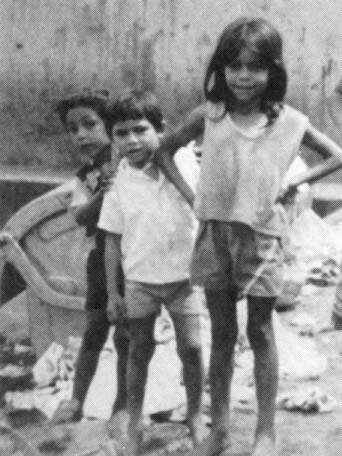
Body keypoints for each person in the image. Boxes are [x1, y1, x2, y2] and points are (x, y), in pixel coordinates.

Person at [154, 17, 342, 456]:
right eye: (233, 65)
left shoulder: (290, 122)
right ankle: (219, 430)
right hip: (214, 236)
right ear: (220, 68)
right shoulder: (209, 115)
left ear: (272, 71)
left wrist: (296, 183)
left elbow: (336, 155)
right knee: (220, 335)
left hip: (261, 241)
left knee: (260, 332)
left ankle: (265, 432)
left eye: (254, 67)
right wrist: (191, 195)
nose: (243, 76)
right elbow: (164, 151)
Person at [98, 90, 206, 455]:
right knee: (138, 350)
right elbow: (111, 240)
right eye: (121, 133)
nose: (132, 140)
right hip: (140, 283)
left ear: (161, 129)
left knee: (191, 348)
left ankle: (194, 413)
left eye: (140, 130)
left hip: (184, 280)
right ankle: (133, 419)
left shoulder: (187, 165)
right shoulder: (117, 183)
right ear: (112, 139)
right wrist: (113, 293)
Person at [51, 89, 130, 430]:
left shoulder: (130, 157)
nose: (81, 135)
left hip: (136, 258)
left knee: (127, 336)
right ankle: (76, 401)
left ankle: (122, 407)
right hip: (102, 261)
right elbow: (81, 216)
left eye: (89, 124)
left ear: (109, 125)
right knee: (94, 331)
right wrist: (104, 192)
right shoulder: (87, 175)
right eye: (73, 129)